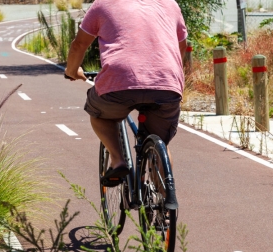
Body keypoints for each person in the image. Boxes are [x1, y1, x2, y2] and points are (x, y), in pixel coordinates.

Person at [65, 0, 188, 187]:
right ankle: (165, 204)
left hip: (119, 81)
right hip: (167, 83)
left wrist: (72, 71)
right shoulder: (170, 4)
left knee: (99, 115)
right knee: (160, 143)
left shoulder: (102, 4)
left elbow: (79, 45)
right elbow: (181, 47)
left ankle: (117, 160)